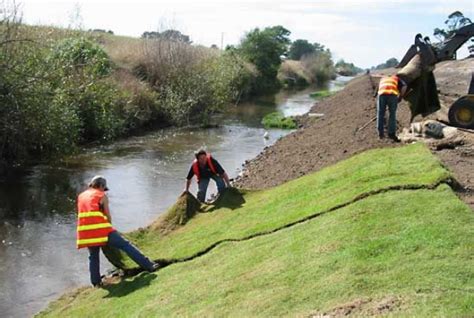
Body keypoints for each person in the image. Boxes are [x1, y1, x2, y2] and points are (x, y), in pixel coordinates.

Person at [76, 175, 158, 287]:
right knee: (125, 245)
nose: (104, 190)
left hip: (85, 232)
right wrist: (110, 228)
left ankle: (96, 283)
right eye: (104, 188)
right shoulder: (101, 195)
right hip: (101, 230)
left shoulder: (81, 196)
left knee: (93, 256)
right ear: (101, 186)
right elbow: (108, 215)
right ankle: (149, 265)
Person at [376, 74, 407, 142]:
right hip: (392, 95)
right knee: (392, 114)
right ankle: (391, 134)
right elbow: (404, 86)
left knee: (380, 114)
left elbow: (378, 89)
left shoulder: (383, 78)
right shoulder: (396, 78)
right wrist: (401, 96)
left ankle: (380, 134)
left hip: (381, 94)